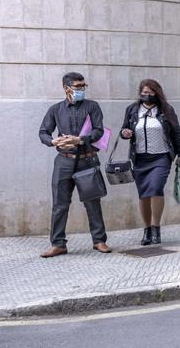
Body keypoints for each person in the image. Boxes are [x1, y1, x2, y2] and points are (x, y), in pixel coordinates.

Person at [37, 72, 111, 257]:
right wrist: (53, 142)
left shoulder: (92, 107)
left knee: (92, 202)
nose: (81, 90)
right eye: (77, 87)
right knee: (59, 205)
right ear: (66, 88)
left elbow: (99, 131)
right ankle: (58, 244)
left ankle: (99, 241)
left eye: (83, 86)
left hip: (87, 159)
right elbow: (43, 132)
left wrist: (79, 140)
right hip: (63, 161)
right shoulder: (55, 110)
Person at [120, 79, 180, 246]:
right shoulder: (132, 110)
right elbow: (124, 129)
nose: (147, 95)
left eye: (150, 92)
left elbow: (176, 132)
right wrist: (125, 133)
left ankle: (156, 228)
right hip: (140, 158)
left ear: (157, 93)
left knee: (156, 189)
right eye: (144, 92)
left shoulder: (166, 110)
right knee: (143, 194)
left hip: (161, 157)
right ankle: (147, 229)